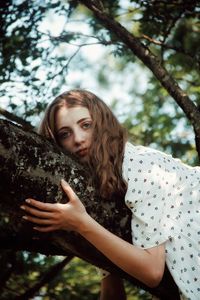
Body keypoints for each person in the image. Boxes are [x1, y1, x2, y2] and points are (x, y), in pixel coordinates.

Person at [20, 89, 200, 300]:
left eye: (86, 125)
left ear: (102, 123)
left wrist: (81, 223)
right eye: (65, 134)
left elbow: (152, 272)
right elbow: (112, 289)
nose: (78, 139)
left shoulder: (141, 165)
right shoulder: (100, 194)